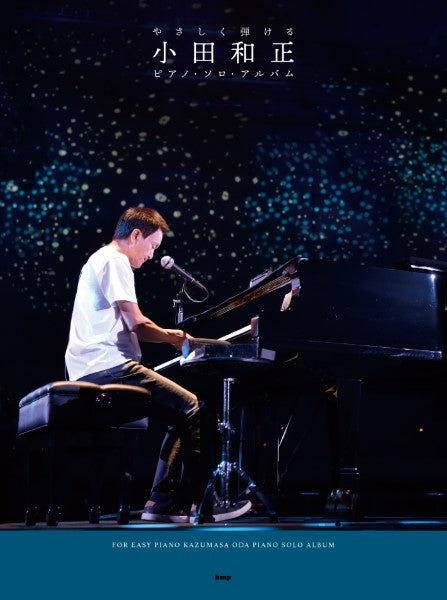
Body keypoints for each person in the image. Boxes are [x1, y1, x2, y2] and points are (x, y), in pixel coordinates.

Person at [65, 206, 251, 523]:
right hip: (109, 366)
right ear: (136, 235)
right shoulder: (116, 260)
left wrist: (167, 337)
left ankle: (161, 501)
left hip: (89, 366)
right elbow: (137, 324)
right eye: (152, 246)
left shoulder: (96, 260)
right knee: (193, 407)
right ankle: (199, 505)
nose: (151, 255)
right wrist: (173, 337)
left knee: (179, 410)